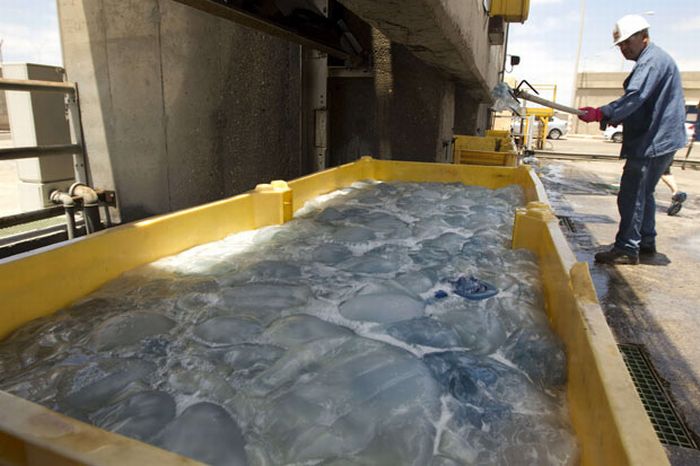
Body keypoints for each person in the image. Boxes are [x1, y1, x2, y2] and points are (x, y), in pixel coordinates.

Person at [577, 15, 687, 265]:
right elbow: (642, 104)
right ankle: (645, 241)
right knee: (644, 193)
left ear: (644, 38)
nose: (623, 48)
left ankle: (628, 247)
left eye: (628, 42)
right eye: (620, 45)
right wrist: (616, 117)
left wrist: (603, 112)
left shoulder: (651, 62)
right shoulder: (655, 60)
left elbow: (635, 97)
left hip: (654, 141)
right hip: (661, 138)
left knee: (631, 193)